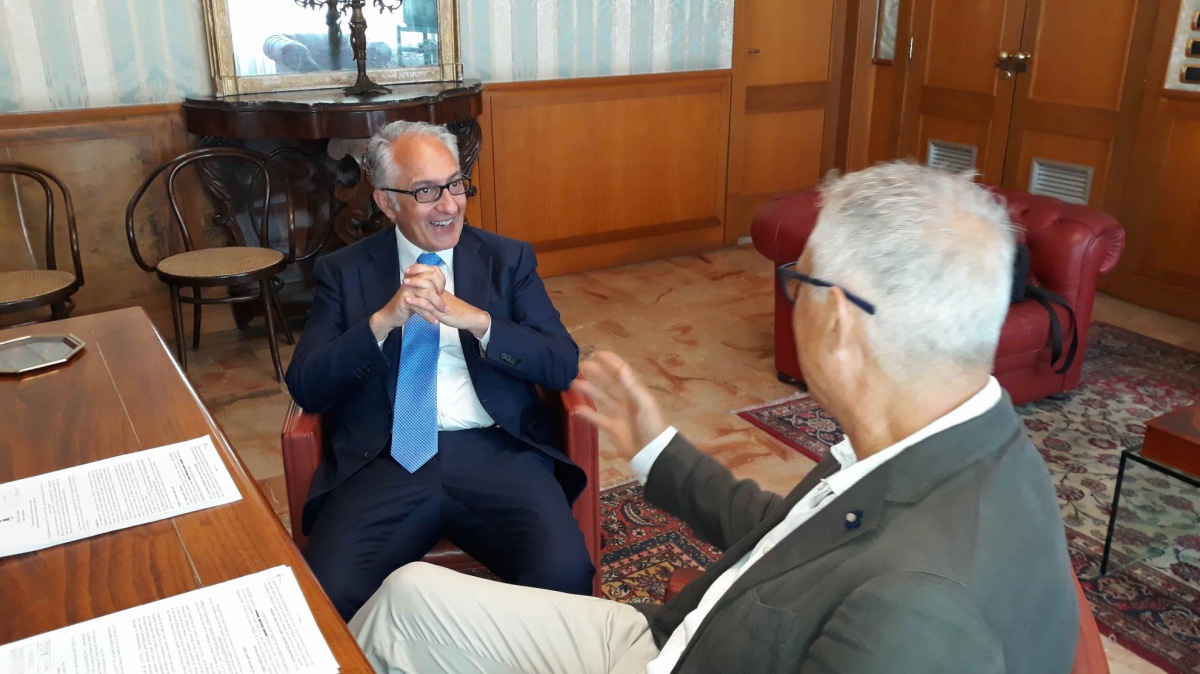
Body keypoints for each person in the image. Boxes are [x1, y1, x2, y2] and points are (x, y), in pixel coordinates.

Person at [348, 162, 1079, 673]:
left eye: (798, 281)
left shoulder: (918, 613)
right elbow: (791, 536)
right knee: (406, 599)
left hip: (677, 658)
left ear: (839, 322)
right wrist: (655, 448)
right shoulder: (939, 437)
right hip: (668, 639)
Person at [285, 120, 593, 621]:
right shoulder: (345, 272)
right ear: (387, 202)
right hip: (387, 457)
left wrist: (478, 321)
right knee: (328, 595)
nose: (449, 205)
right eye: (426, 191)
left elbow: (560, 363)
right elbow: (307, 384)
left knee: (564, 576)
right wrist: (383, 322)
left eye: (455, 184)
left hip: (496, 451)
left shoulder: (507, 260)